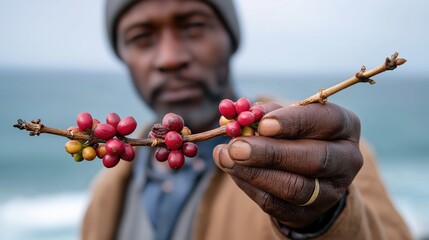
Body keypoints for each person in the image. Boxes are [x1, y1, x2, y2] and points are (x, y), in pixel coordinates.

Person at [82, 0, 412, 239]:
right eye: (142, 37)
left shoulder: (319, 152)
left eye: (193, 26)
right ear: (123, 56)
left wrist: (325, 221)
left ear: (230, 39)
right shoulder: (107, 194)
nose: (170, 58)